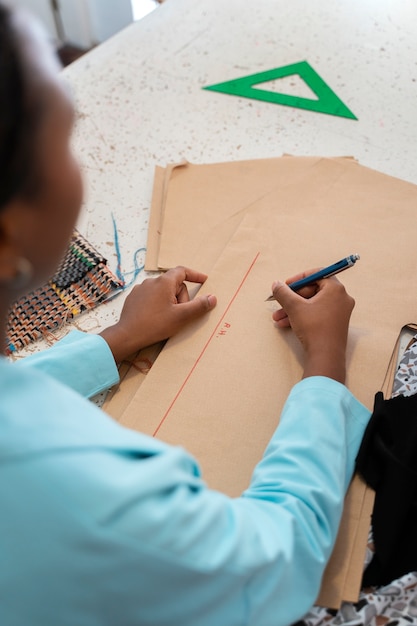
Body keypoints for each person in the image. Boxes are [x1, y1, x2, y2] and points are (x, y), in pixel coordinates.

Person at [0, 4, 371, 625]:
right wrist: (326, 372)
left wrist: (115, 341)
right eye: (65, 140)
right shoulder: (77, 489)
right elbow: (270, 564)